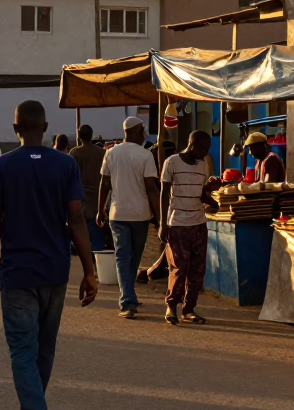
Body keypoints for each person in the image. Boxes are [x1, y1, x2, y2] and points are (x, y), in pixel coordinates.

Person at [0, 99, 97, 410]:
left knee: (22, 351)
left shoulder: (2, 167)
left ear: (15, 129)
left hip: (17, 274)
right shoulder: (65, 165)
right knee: (43, 349)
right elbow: (76, 219)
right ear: (44, 127)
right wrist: (89, 270)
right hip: (54, 272)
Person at [96, 117, 159, 318]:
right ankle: (127, 300)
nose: (144, 134)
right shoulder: (146, 155)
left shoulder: (111, 153)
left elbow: (104, 184)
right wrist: (160, 218)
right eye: (142, 131)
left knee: (123, 256)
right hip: (140, 215)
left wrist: (100, 210)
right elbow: (151, 189)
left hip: (117, 213)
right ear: (134, 131)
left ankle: (128, 297)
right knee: (133, 257)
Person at [159, 129, 219, 325]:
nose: (205, 152)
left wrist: (212, 202)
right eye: (202, 148)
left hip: (199, 223)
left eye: (207, 149)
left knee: (197, 269)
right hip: (177, 223)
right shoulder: (172, 162)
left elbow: (201, 192)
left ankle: (189, 309)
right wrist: (162, 224)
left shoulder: (203, 165)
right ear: (191, 144)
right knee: (179, 267)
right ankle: (171, 306)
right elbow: (163, 193)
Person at [69, 124, 106, 252]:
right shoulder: (101, 152)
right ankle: (97, 260)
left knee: (80, 230)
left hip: (80, 197)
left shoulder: (74, 152)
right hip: (97, 196)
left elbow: (71, 176)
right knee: (96, 231)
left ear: (79, 136)